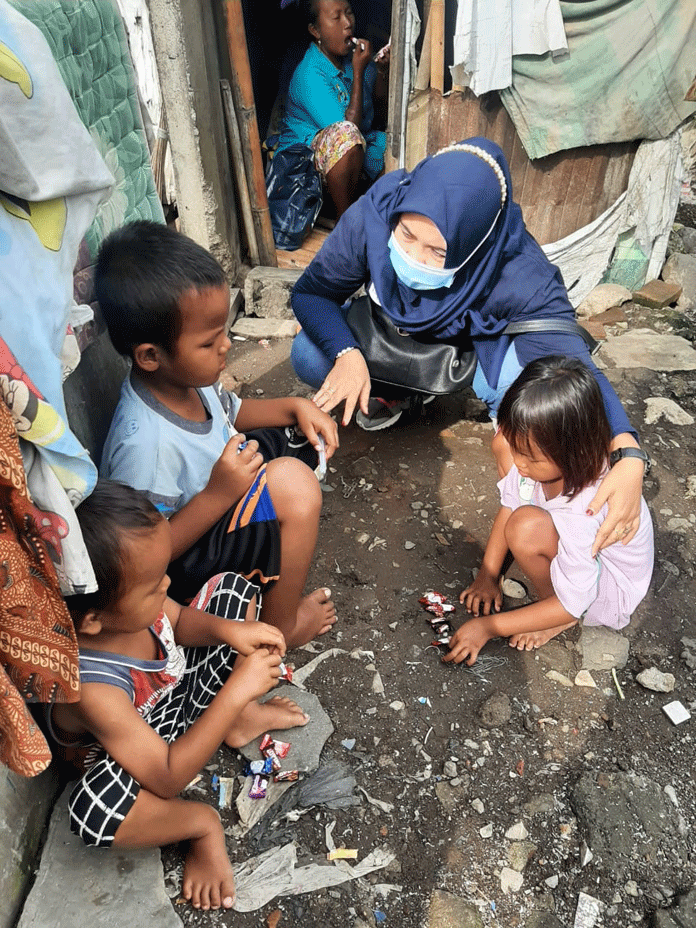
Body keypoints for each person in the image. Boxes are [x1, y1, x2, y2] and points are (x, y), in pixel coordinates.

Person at [291, 137, 650, 552]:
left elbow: (572, 363)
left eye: (437, 251)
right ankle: (392, 398)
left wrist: (627, 451)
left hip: (463, 356)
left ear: (475, 244)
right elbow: (311, 293)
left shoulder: (519, 268)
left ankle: (490, 428)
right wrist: (346, 353)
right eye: (406, 235)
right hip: (384, 337)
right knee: (309, 353)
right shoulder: (378, 210)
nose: (412, 257)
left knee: (525, 387)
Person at [49, 481, 308, 910]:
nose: (168, 584)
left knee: (230, 591)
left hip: (173, 707)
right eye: (153, 586)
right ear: (92, 620)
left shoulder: (139, 611)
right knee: (94, 812)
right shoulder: (90, 687)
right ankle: (200, 826)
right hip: (135, 759)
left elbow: (182, 619)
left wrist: (230, 631)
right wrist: (235, 690)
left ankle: (237, 720)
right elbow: (167, 777)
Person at [97, 220, 338, 649]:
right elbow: (145, 556)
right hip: (184, 567)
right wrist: (218, 495)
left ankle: (272, 560)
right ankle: (282, 627)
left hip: (221, 492)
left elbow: (234, 413)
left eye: (224, 331)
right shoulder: (145, 447)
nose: (226, 346)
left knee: (299, 437)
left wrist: (297, 407)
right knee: (294, 486)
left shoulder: (186, 379)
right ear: (151, 356)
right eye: (210, 342)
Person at [443, 357, 654, 666]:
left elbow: (573, 603)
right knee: (502, 446)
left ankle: (552, 616)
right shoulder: (548, 459)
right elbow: (512, 502)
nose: (520, 464)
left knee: (525, 528)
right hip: (581, 555)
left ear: (576, 450)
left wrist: (488, 626)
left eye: (531, 457)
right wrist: (488, 575)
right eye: (519, 450)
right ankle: (549, 602)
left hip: (605, 590)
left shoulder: (586, 508)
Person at [269, 0, 388, 226]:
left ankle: (369, 215)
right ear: (315, 31)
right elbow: (348, 131)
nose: (347, 24)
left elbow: (382, 108)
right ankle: (344, 222)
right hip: (304, 170)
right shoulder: (309, 75)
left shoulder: (352, 60)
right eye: (336, 17)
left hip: (352, 155)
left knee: (392, 146)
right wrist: (359, 72)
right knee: (347, 136)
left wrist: (381, 70)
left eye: (349, 13)